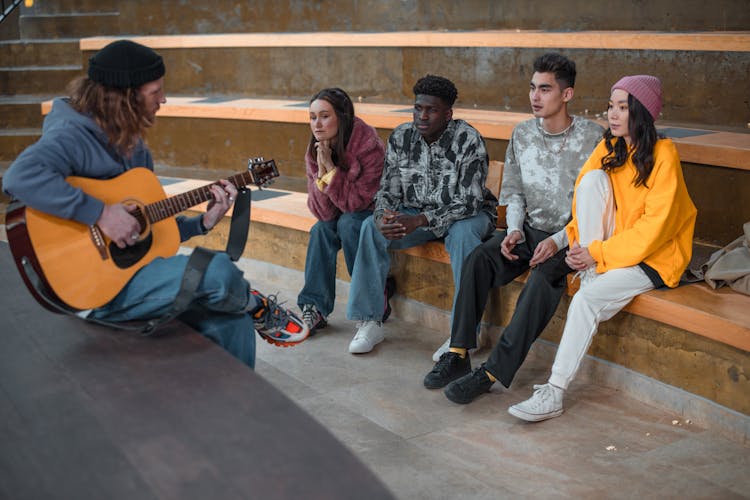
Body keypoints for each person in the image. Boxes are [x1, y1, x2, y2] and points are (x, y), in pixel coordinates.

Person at [2, 40, 309, 369]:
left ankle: (233, 410)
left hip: (136, 274)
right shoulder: (71, 136)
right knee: (217, 270)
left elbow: (151, 230)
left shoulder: (135, 150)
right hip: (95, 292)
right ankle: (256, 306)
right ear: (127, 95)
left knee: (232, 324)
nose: (163, 100)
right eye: (156, 91)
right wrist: (101, 214)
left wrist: (203, 223)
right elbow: (20, 178)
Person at [508, 75, 697, 421]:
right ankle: (592, 276)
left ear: (641, 112)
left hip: (652, 260)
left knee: (584, 300)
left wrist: (597, 253)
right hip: (607, 252)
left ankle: (554, 391)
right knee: (592, 180)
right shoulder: (611, 147)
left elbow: (652, 233)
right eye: (611, 105)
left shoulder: (664, 155)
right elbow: (584, 202)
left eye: (623, 108)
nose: (612, 114)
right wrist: (580, 246)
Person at [424, 53, 605, 403]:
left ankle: (493, 371)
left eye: (545, 89)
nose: (535, 96)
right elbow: (514, 191)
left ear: (567, 95)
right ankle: (459, 352)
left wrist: (557, 242)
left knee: (544, 277)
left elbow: (595, 206)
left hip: (573, 237)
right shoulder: (522, 133)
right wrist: (514, 230)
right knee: (480, 257)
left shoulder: (592, 138)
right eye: (533, 88)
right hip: (530, 230)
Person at [345, 74, 498, 354]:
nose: (422, 116)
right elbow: (388, 190)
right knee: (370, 227)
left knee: (464, 237)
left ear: (448, 114)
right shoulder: (401, 137)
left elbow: (470, 201)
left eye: (432, 109)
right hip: (416, 213)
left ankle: (464, 334)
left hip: (466, 215)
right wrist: (382, 215)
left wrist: (421, 220)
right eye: (418, 108)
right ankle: (371, 320)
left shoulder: (468, 140)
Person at [297, 88, 386, 333]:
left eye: (324, 116)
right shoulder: (316, 149)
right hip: (343, 211)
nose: (317, 124)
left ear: (342, 116)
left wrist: (331, 174)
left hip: (373, 212)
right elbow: (323, 213)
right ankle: (314, 307)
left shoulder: (368, 146)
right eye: (312, 117)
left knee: (349, 223)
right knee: (321, 230)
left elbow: (357, 202)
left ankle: (376, 294)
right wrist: (322, 170)